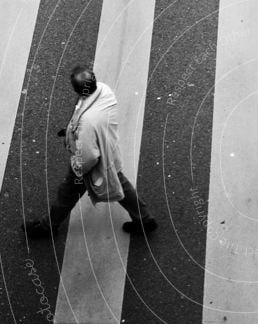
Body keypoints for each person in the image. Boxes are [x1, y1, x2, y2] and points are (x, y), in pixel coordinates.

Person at [22, 65, 157, 239]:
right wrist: (72, 130)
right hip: (109, 152)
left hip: (91, 165)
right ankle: (145, 220)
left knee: (67, 193)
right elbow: (86, 114)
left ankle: (48, 226)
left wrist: (77, 166)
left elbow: (88, 156)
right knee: (120, 184)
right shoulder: (103, 91)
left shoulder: (87, 123)